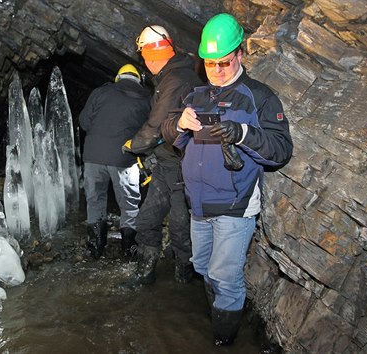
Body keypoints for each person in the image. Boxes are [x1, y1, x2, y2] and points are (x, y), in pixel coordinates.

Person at [161, 13, 293, 346]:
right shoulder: (195, 97)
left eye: (224, 62)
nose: (217, 70)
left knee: (225, 275)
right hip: (198, 205)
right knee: (203, 265)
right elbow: (169, 136)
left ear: (239, 55)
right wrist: (179, 124)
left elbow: (280, 150)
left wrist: (243, 133)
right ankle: (219, 317)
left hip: (235, 205)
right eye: (210, 64)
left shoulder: (259, 97)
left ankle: (223, 340)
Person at [121, 25, 202, 284]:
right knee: (147, 220)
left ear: (150, 55)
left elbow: (156, 126)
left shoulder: (177, 80)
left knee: (180, 229)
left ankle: (184, 283)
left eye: (143, 56)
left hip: (182, 166)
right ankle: (144, 276)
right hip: (165, 164)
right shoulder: (169, 78)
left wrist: (133, 145)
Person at [79, 64, 151, 259]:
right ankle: (129, 249)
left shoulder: (100, 92)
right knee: (128, 204)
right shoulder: (147, 98)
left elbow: (84, 122)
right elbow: (150, 130)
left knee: (94, 200)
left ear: (118, 77)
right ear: (138, 79)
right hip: (124, 157)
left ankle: (95, 247)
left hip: (94, 156)